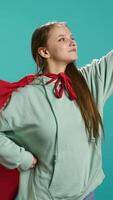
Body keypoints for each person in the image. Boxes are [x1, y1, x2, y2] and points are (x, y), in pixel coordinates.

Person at [0, 21, 113, 200]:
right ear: (44, 52)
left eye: (72, 38)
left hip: (86, 194)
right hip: (45, 196)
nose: (72, 42)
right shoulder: (25, 97)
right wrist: (21, 158)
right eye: (62, 39)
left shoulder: (90, 81)